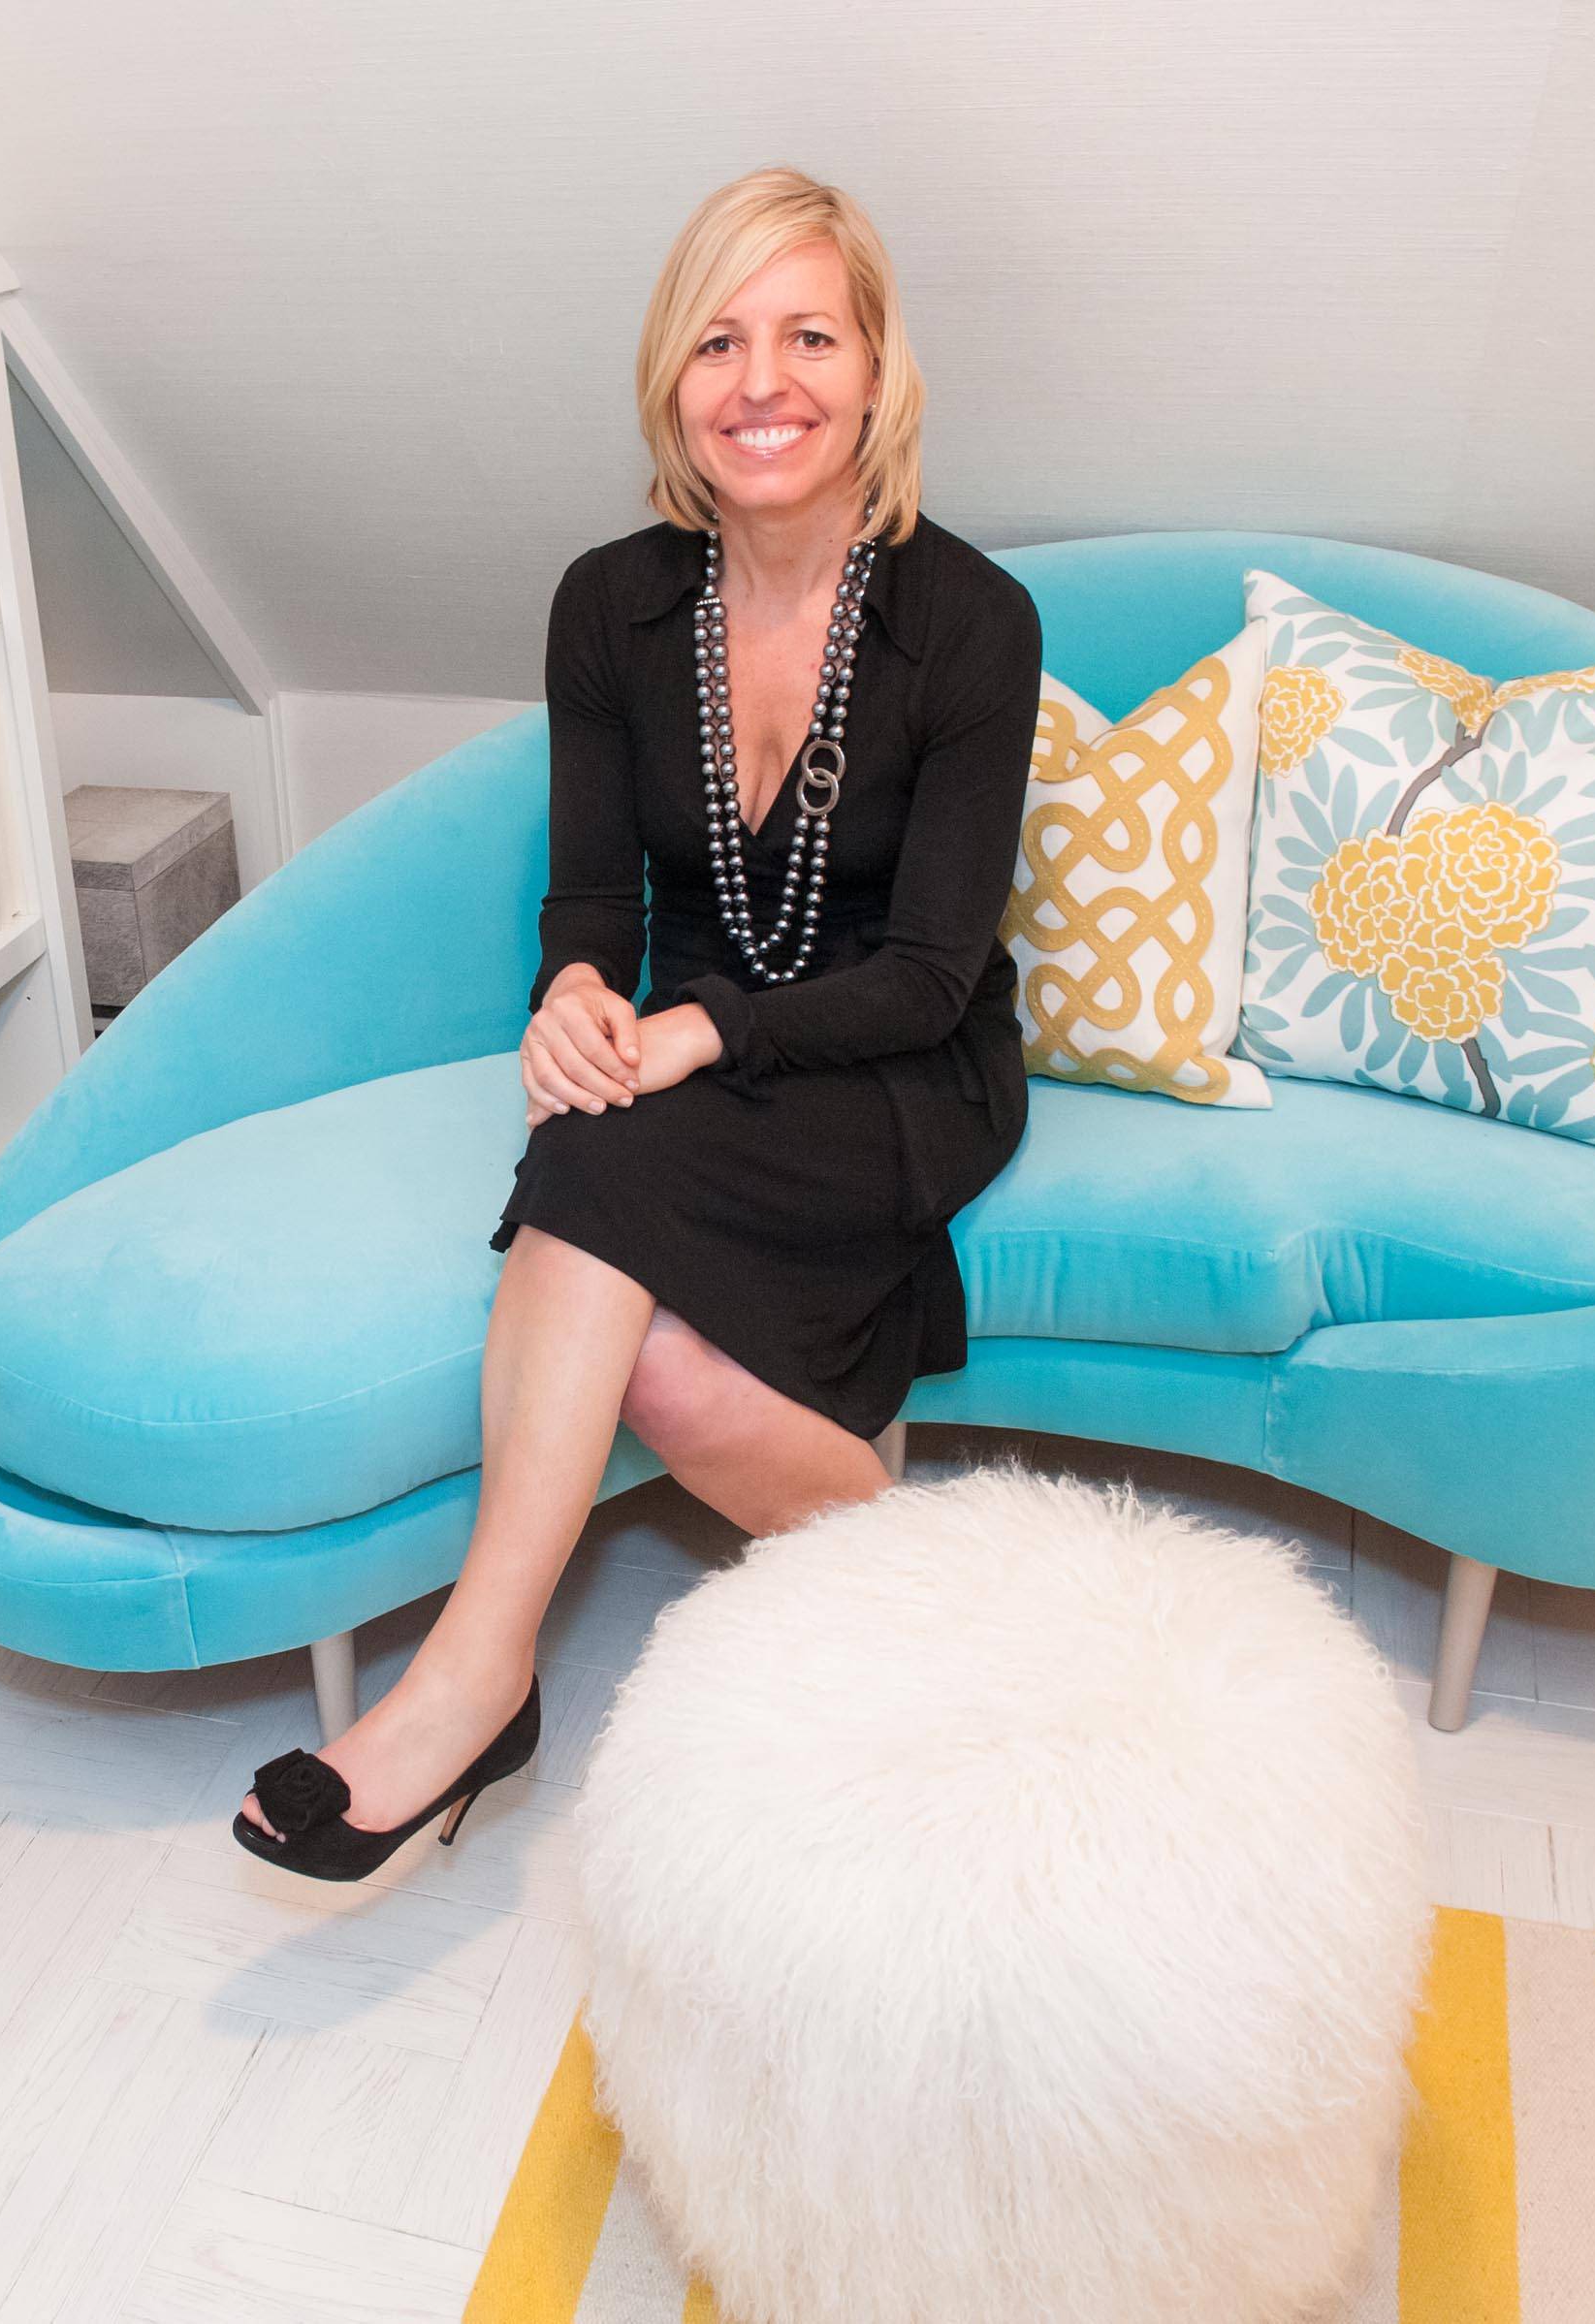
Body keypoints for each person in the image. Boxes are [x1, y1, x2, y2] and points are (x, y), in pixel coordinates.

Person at [234, 167, 1043, 1879]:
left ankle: (470, 1677)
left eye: (808, 336)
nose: (763, 383)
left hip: (907, 1063)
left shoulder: (970, 620)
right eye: (718, 341)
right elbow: (592, 902)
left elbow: (927, 971)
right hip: (699, 1051)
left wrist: (696, 1037)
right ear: (671, 380)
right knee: (654, 1353)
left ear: (876, 370)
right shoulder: (609, 603)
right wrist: (579, 998)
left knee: (592, 1163)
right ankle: (933, 1581)